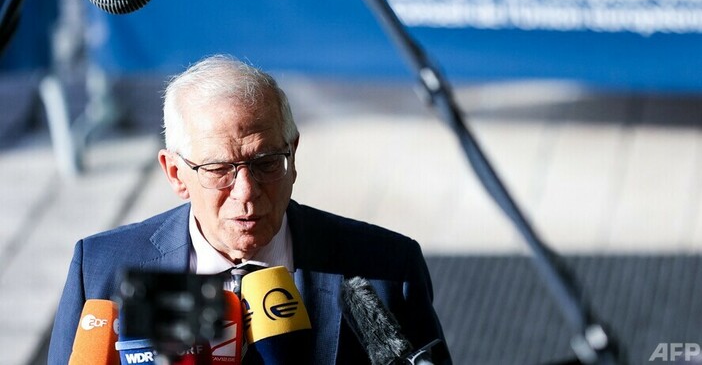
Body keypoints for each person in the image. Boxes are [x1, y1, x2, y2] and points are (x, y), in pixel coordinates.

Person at [48, 54, 450, 364]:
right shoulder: (99, 269)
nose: (246, 192)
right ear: (175, 174)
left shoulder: (387, 268)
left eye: (266, 163)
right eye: (218, 169)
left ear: (293, 154)